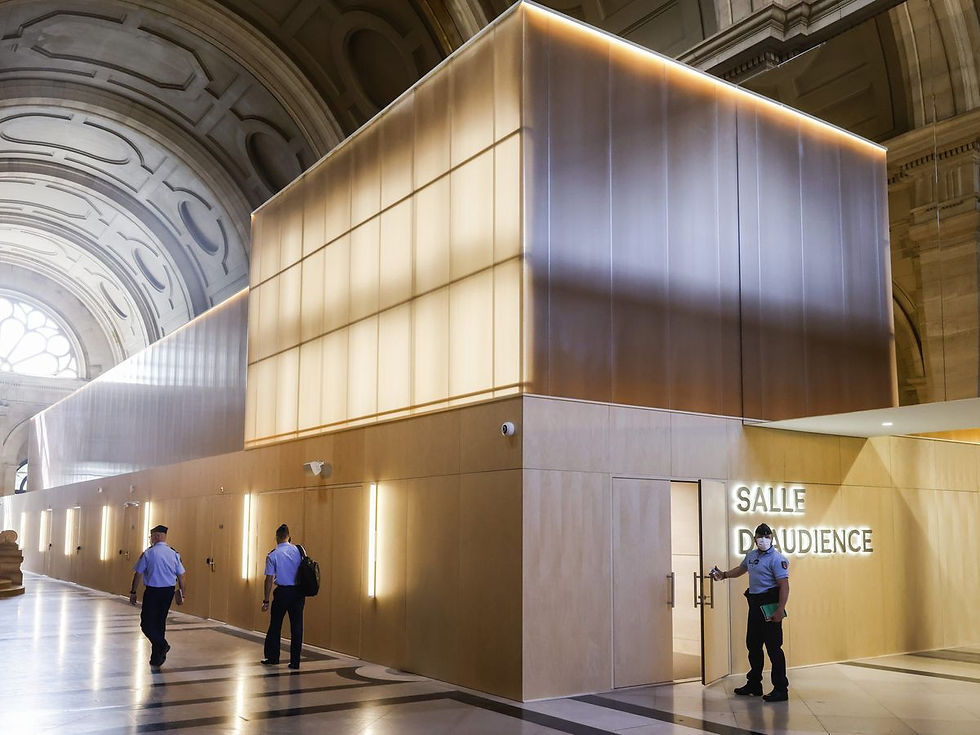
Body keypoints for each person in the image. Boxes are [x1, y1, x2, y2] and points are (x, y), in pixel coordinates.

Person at [710, 522, 790, 702]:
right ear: (754, 539)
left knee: (774, 648)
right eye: (760, 536)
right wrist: (724, 574)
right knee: (753, 646)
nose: (763, 539)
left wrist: (780, 609)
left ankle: (780, 688)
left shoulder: (778, 559)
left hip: (770, 605)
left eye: (766, 536)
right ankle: (754, 683)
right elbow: (741, 569)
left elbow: (784, 586)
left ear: (772, 538)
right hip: (754, 605)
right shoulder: (752, 555)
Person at [130, 524, 186, 670]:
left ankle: (162, 645)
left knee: (147, 624)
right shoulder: (174, 553)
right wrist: (182, 593)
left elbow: (138, 573)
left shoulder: (149, 553)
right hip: (167, 592)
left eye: (151, 537)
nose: (150, 539)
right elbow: (181, 575)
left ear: (156, 536)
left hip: (153, 592)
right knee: (160, 623)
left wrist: (133, 591)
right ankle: (156, 658)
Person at [261, 523, 305, 670]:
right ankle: (295, 662)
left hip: (282, 593)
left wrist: (266, 600)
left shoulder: (273, 555)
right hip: (298, 593)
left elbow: (268, 579)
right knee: (297, 627)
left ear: (276, 538)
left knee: (275, 625)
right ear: (289, 537)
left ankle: (273, 657)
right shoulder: (299, 550)